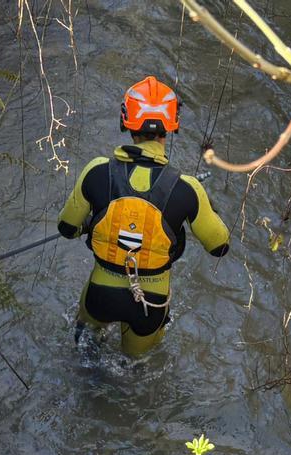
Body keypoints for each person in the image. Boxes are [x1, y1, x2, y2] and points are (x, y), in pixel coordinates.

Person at [57, 75, 230, 356]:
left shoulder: (96, 170)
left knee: (84, 357)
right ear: (173, 125)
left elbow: (66, 228)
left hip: (100, 294)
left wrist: (90, 225)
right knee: (133, 374)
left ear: (126, 120)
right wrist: (203, 204)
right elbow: (219, 246)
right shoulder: (189, 188)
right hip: (151, 305)